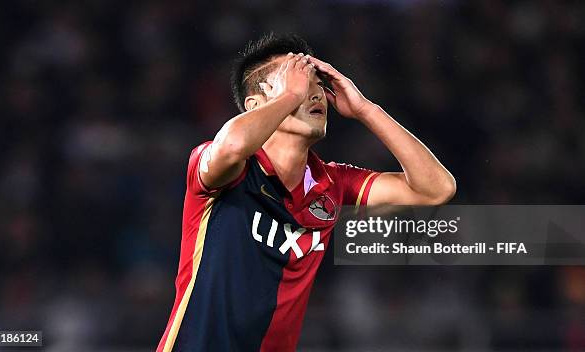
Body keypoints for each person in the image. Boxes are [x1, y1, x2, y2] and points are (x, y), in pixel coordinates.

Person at [157, 33, 456, 352]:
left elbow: (436, 189)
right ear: (255, 105)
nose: (313, 93)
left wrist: (366, 110)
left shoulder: (333, 183)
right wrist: (288, 98)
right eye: (294, 80)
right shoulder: (225, 168)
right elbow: (231, 147)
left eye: (316, 84)